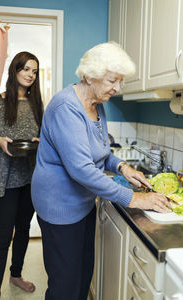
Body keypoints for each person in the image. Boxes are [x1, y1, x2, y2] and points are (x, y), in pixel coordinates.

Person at [31, 42, 171, 300]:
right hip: (59, 206)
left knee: (83, 274)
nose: (117, 88)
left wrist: (123, 167)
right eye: (112, 81)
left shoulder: (97, 105)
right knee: (64, 286)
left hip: (83, 204)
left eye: (120, 82)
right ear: (89, 75)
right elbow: (82, 169)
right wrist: (135, 198)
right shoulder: (66, 107)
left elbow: (101, 151)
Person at [0, 51, 43, 300]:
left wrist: (41, 141)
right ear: (15, 70)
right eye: (26, 69)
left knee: (24, 229)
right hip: (4, 180)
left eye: (34, 71)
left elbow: (46, 138)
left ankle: (16, 274)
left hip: (31, 178)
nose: (30, 75)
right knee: (2, 238)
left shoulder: (37, 104)